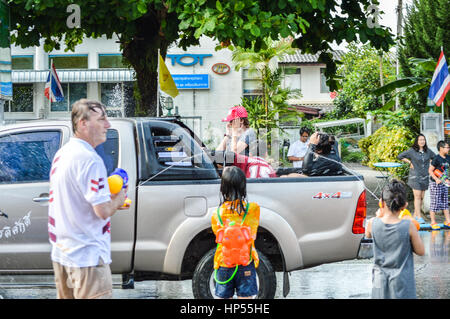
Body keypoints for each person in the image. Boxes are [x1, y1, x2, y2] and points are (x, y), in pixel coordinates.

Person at [48, 99, 128, 299]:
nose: (108, 125)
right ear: (83, 124)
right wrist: (119, 198)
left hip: (62, 255)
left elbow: (77, 200)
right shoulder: (90, 159)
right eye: (101, 119)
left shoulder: (62, 154)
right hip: (87, 259)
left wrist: (107, 197)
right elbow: (102, 211)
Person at [365, 179, 425, 299]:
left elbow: (368, 235)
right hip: (402, 281)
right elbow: (420, 251)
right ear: (405, 205)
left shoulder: (372, 223)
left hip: (379, 280)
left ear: (381, 203)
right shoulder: (408, 226)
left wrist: (379, 215)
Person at [211, 166, 260, 299]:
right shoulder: (253, 209)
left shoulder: (217, 214)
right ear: (243, 186)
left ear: (223, 188)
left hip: (224, 262)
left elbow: (218, 236)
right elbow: (253, 234)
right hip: (245, 262)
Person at [397, 134, 435, 224]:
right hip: (415, 177)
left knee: (421, 197)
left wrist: (429, 162)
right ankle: (419, 216)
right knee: (417, 197)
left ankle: (415, 214)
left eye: (423, 140)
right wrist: (410, 162)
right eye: (420, 140)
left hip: (425, 176)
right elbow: (400, 156)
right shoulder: (412, 151)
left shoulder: (428, 151)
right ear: (417, 141)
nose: (422, 141)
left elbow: (435, 158)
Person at [428, 140, 450, 230]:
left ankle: (448, 221)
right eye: (447, 147)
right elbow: (430, 170)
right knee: (435, 203)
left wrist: (447, 180)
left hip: (445, 183)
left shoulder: (448, 158)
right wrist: (436, 179)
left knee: (445, 203)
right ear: (441, 148)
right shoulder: (436, 158)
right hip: (435, 183)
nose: (448, 149)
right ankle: (433, 222)